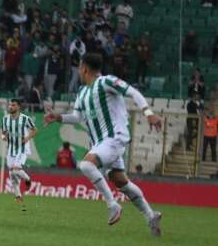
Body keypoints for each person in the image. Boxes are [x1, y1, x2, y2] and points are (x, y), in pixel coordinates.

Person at [44, 53, 163, 235]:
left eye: (79, 68)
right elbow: (77, 117)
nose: (79, 71)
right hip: (101, 142)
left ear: (84, 68)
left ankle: (112, 205)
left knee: (85, 164)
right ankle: (151, 216)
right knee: (120, 181)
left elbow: (133, 92)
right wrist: (58, 117)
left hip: (114, 137)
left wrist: (148, 113)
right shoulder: (82, 92)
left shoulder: (106, 82)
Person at [1, 99, 37, 203]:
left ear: (18, 107)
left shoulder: (25, 119)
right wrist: (4, 136)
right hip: (11, 149)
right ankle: (18, 197)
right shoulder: (5, 119)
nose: (10, 107)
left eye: (13, 105)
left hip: (22, 148)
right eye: (10, 105)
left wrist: (27, 138)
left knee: (16, 169)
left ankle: (28, 179)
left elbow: (35, 130)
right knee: (12, 173)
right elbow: (3, 132)